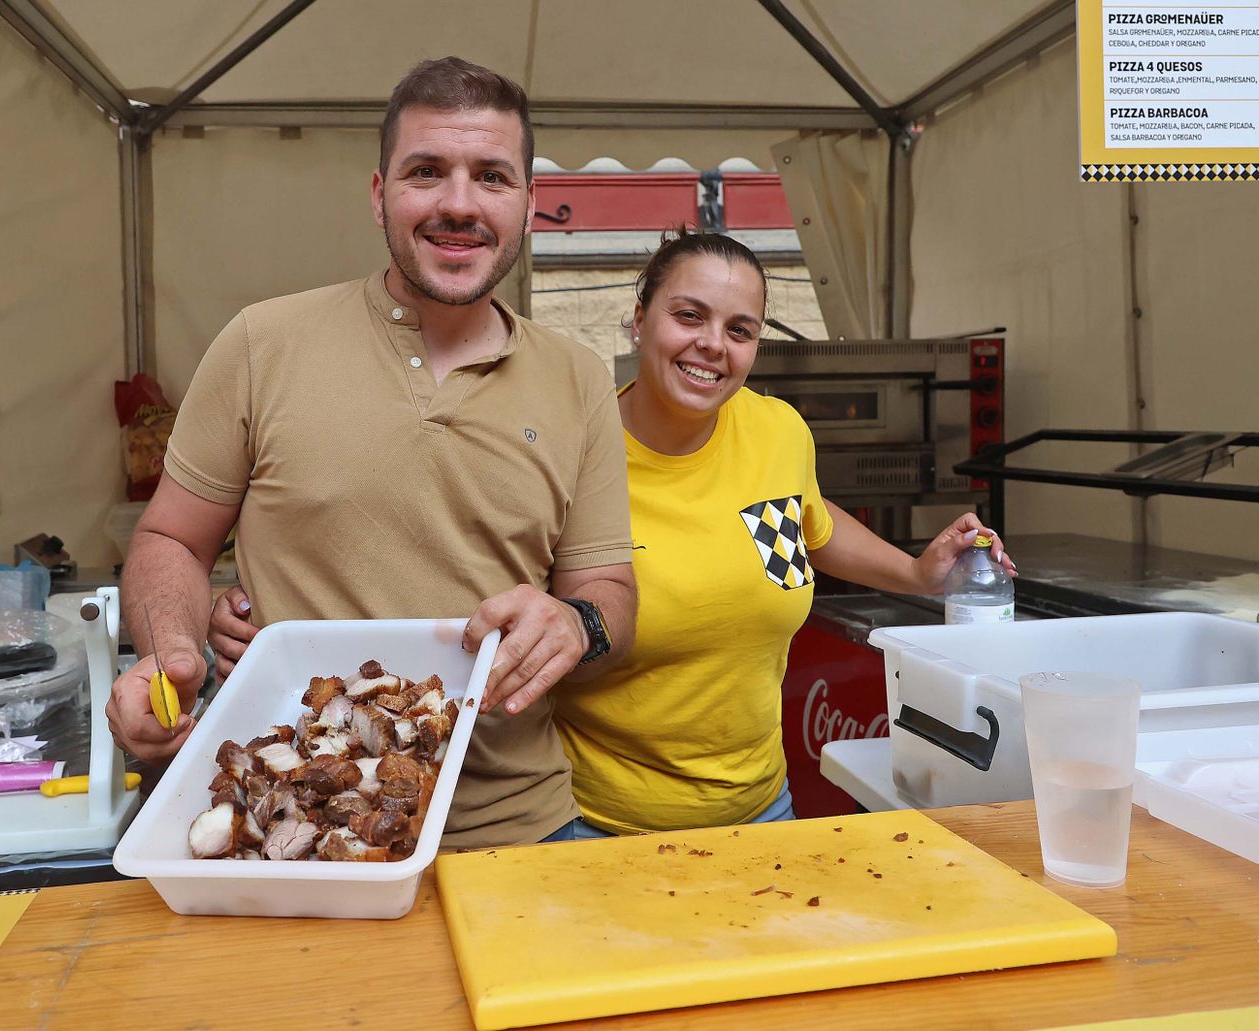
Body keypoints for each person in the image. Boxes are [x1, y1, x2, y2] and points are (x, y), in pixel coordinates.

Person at [211, 229, 1016, 838]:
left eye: (740, 329)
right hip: (598, 822)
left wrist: (918, 573)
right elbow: (446, 567)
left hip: (764, 807)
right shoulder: (573, 446)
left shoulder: (776, 431)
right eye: (688, 315)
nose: (713, 344)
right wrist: (269, 605)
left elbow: (801, 524)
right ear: (637, 321)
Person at [106, 56, 638, 850]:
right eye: (427, 171)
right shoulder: (261, 343)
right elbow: (170, 539)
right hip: (293, 824)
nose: (459, 204)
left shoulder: (579, 377)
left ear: (529, 206)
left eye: (492, 177)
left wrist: (577, 621)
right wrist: (170, 652)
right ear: (379, 193)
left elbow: (610, 595)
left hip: (518, 827)